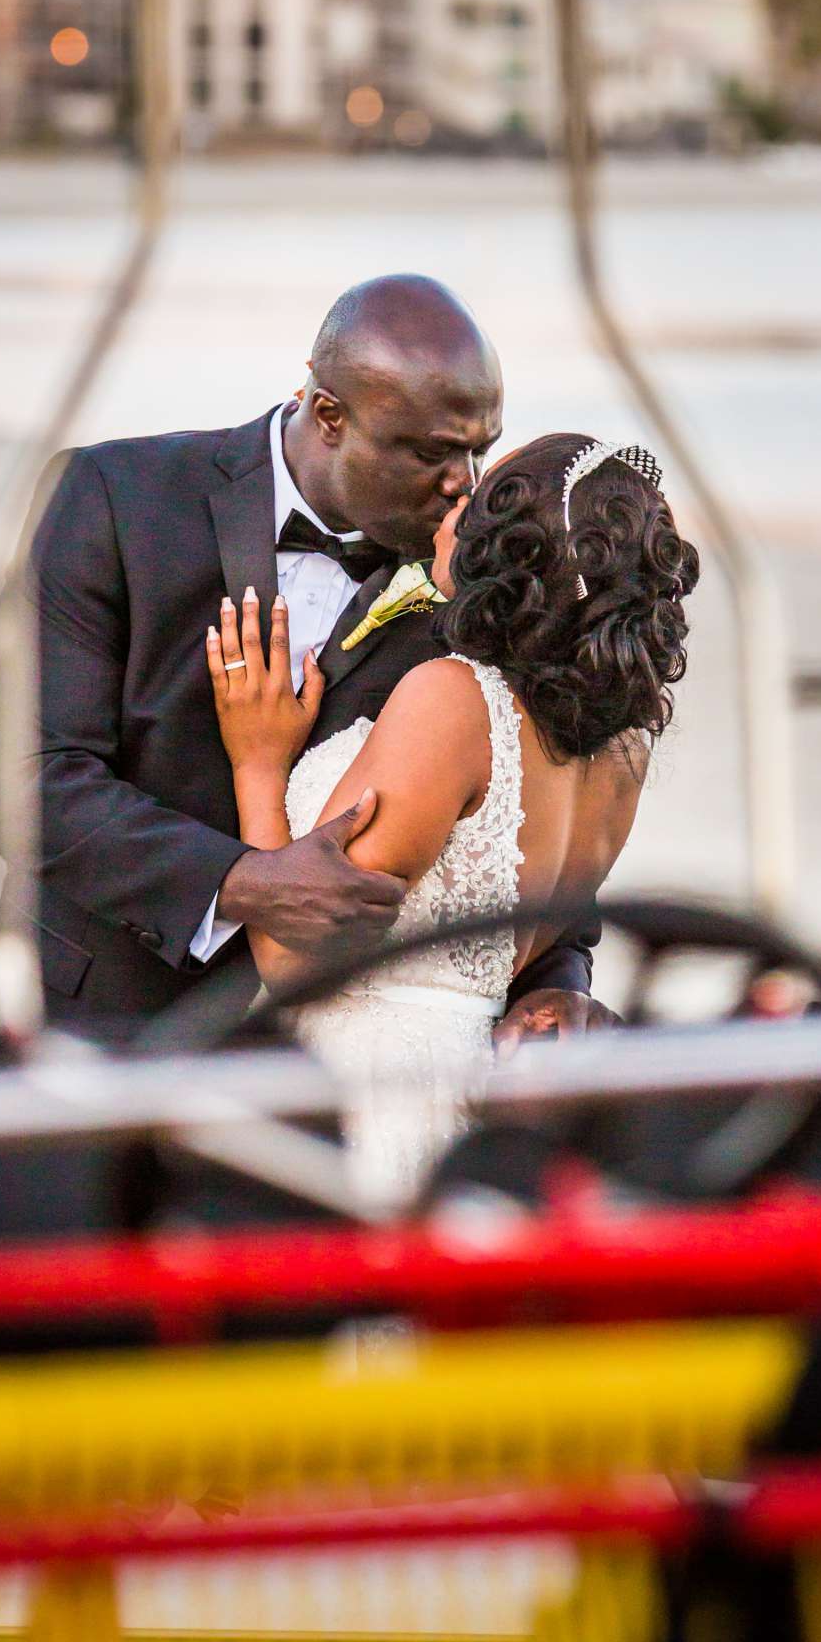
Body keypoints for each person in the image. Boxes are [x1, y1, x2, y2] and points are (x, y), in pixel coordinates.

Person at [0, 276, 601, 1043]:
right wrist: (240, 883)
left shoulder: (467, 571)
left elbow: (527, 816)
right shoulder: (113, 498)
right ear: (328, 413)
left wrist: (560, 983)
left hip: (339, 1062)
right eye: (432, 453)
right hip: (85, 1016)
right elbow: (29, 776)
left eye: (480, 450)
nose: (464, 486)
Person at [204, 432, 700, 1206]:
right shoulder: (624, 749)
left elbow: (293, 960)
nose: (451, 504)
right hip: (466, 1108)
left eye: (478, 500)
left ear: (509, 552)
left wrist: (258, 763)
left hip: (367, 1102)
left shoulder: (454, 701)